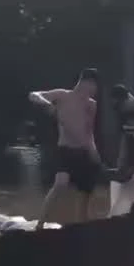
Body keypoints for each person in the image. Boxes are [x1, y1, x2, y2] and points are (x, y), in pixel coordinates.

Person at [29, 68, 102, 230]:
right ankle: (40, 225)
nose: (94, 91)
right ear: (85, 82)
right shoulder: (63, 95)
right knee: (61, 183)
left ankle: (80, 230)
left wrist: (94, 151)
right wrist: (48, 105)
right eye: (93, 86)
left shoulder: (91, 105)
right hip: (66, 150)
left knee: (85, 194)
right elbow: (34, 95)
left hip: (83, 151)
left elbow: (89, 132)